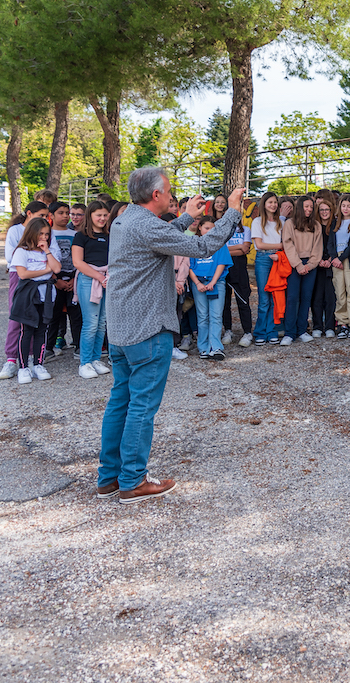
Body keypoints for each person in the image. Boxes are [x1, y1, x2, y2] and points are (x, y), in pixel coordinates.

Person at [97, 168, 243, 504]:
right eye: (169, 189)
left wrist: (186, 216)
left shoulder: (124, 219)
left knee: (120, 402)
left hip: (121, 330)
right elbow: (205, 244)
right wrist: (232, 211)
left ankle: (109, 478)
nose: (172, 193)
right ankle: (133, 481)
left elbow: (157, 236)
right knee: (141, 407)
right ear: (156, 195)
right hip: (148, 329)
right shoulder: (147, 225)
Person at [0, 201, 57, 381]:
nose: (45, 219)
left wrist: (46, 258)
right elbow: (12, 258)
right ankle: (11, 359)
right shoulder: (15, 231)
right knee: (18, 318)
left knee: (39, 323)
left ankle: (33, 359)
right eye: (41, 215)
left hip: (42, 283)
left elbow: (56, 258)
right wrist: (43, 267)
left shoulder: (47, 233)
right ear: (29, 214)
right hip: (21, 277)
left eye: (47, 216)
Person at [72, 201, 112, 379]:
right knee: (90, 323)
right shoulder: (80, 236)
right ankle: (85, 362)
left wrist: (107, 277)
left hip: (106, 279)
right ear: (90, 216)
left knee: (102, 322)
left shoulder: (110, 235)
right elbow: (78, 262)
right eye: (98, 215)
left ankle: (96, 359)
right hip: (90, 280)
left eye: (105, 215)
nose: (102, 218)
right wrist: (99, 277)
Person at [187, 215, 232, 360]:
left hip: (216, 283)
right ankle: (204, 347)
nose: (209, 231)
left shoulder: (219, 244)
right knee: (202, 316)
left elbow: (221, 263)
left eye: (212, 229)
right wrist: (198, 283)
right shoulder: (194, 242)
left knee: (216, 315)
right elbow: (189, 266)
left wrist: (213, 281)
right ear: (200, 227)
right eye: (206, 228)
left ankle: (216, 346)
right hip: (199, 282)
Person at [280, 196, 322, 345]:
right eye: (306, 206)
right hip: (294, 263)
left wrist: (310, 265)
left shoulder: (316, 225)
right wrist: (298, 265)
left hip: (310, 265)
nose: (309, 209)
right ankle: (289, 333)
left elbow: (318, 248)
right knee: (292, 298)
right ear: (299, 207)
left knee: (306, 298)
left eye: (311, 207)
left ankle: (302, 330)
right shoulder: (290, 224)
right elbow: (288, 244)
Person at [218, 195, 254, 347]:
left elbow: (245, 249)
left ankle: (247, 332)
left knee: (243, 300)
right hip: (224, 268)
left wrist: (227, 249)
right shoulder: (220, 230)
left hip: (239, 269)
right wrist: (236, 248)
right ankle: (228, 330)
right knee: (224, 302)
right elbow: (218, 249)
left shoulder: (246, 229)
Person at [47, 201, 81, 357]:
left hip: (73, 279)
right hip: (55, 280)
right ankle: (48, 347)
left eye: (67, 213)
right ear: (51, 215)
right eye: (61, 213)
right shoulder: (47, 235)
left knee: (76, 314)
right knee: (53, 315)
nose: (66, 216)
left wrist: (74, 278)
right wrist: (56, 279)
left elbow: (81, 259)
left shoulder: (76, 235)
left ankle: (79, 346)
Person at [251, 192, 284, 345]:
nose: (273, 205)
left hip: (278, 259)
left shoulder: (281, 222)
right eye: (270, 202)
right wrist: (280, 246)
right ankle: (260, 332)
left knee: (275, 297)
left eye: (275, 202)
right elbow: (260, 245)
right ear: (264, 204)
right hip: (263, 259)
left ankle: (272, 331)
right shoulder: (257, 222)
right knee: (264, 298)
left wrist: (280, 250)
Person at [311, 195, 338, 337]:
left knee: (330, 297)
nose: (324, 212)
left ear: (331, 210)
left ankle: (329, 327)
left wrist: (330, 259)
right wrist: (319, 259)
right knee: (316, 297)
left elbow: (337, 245)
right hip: (316, 265)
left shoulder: (335, 226)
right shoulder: (314, 226)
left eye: (327, 209)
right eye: (321, 209)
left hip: (331, 265)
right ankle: (317, 326)